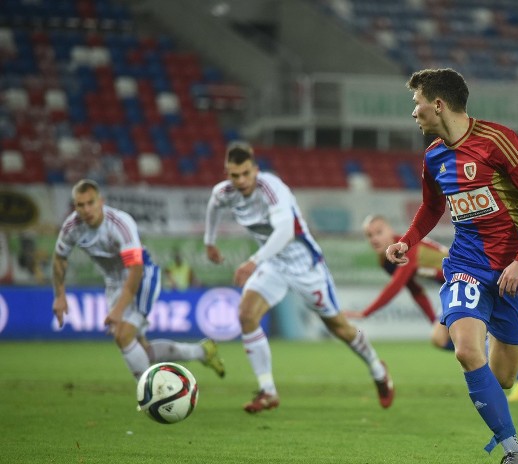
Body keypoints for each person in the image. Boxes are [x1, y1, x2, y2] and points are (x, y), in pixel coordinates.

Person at [386, 68, 518, 464]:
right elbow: (432, 207)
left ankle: (507, 427)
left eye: (417, 103)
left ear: (438, 104)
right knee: (465, 350)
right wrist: (408, 240)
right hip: (465, 264)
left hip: (514, 270)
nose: (414, 112)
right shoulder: (433, 156)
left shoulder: (497, 141)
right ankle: (513, 452)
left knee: (500, 376)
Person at [203, 141, 394, 413]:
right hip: (274, 264)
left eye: (246, 173)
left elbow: (285, 233)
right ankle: (267, 391)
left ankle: (377, 369)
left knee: (338, 327)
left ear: (255, 169)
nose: (242, 180)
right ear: (227, 174)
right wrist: (209, 242)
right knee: (246, 315)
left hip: (305, 266)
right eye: (235, 175)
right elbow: (213, 206)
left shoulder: (271, 188)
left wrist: (252, 261)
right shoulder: (224, 193)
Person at [346, 214, 518, 402]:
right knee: (440, 338)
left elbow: (395, 286)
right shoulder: (386, 261)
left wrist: (366, 312)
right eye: (369, 235)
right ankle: (513, 374)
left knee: (450, 341)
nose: (374, 238)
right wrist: (432, 319)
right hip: (455, 284)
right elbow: (415, 290)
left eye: (379, 232)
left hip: (471, 277)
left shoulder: (407, 249)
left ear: (390, 231)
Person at [52, 179, 226, 383]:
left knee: (123, 335)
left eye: (91, 203)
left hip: (143, 276)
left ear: (101, 201)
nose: (86, 209)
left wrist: (118, 311)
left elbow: (135, 270)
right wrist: (60, 295)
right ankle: (202, 352)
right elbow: (59, 258)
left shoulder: (120, 224)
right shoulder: (72, 227)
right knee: (143, 350)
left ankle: (152, 392)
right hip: (114, 282)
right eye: (80, 205)